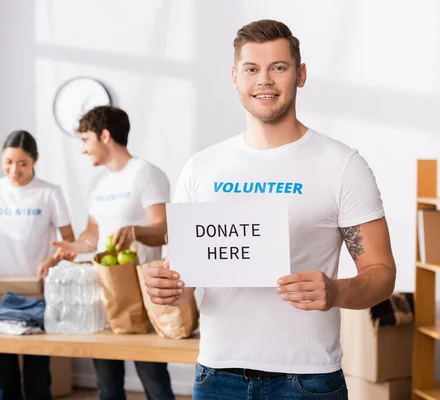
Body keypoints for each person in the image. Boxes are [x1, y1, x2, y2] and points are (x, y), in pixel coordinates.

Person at [144, 20, 396, 400]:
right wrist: (169, 289)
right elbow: (186, 276)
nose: (264, 80)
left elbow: (381, 274)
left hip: (307, 379)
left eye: (278, 67)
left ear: (301, 74)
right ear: (235, 77)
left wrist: (336, 291)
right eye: (251, 69)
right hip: (216, 376)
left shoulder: (342, 165)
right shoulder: (201, 168)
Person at [52, 106, 175, 400]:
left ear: (104, 136)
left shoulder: (145, 174)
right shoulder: (100, 184)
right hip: (106, 291)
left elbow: (165, 227)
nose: (83, 149)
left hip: (144, 292)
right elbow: (92, 235)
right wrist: (75, 247)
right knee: (106, 384)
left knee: (153, 380)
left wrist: (135, 231)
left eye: (85, 140)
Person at [0, 130, 75, 400]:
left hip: (37, 291)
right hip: (0, 291)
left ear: (35, 160)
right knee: (4, 375)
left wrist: (52, 259)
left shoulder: (49, 193)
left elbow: (69, 240)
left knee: (38, 376)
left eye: (22, 163)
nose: (14, 170)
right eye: (8, 162)